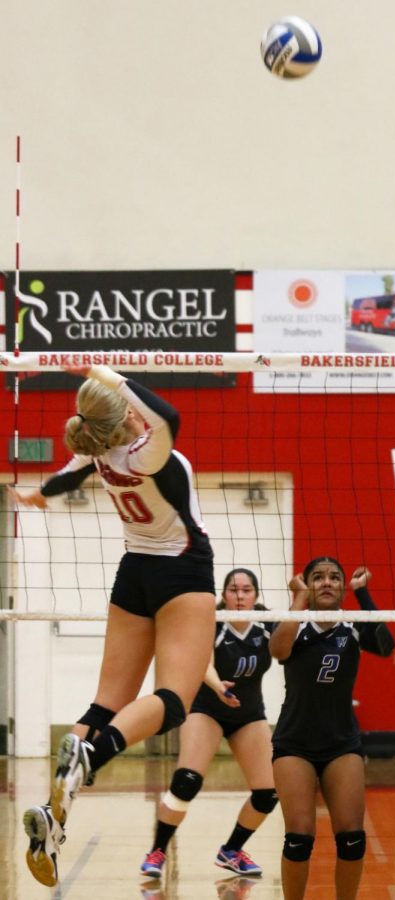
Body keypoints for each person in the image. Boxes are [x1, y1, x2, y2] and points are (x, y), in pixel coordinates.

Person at [11, 365, 217, 888]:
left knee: (105, 704)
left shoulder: (99, 451)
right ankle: (91, 754)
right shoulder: (145, 451)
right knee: (174, 701)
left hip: (134, 573)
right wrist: (108, 374)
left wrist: (40, 496)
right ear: (124, 411)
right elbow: (168, 414)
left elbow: (67, 477)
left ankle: (55, 816)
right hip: (179, 569)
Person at [139, 567, 278, 880]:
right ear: (223, 594)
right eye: (233, 590)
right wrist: (218, 686)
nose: (240, 596)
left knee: (267, 793)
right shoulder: (210, 622)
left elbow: (291, 643)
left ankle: (231, 851)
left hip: (249, 713)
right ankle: (157, 851)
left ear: (256, 596)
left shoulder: (269, 622)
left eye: (246, 590)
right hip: (208, 708)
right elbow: (203, 662)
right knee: (187, 780)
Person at [269, 558, 395, 900]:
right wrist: (297, 601)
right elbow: (277, 650)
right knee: (299, 839)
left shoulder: (353, 625)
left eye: (334, 578)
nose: (327, 582)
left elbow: (387, 646)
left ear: (342, 587)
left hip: (341, 743)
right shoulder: (296, 624)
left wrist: (364, 594)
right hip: (294, 743)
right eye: (318, 578)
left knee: (352, 839)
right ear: (308, 585)